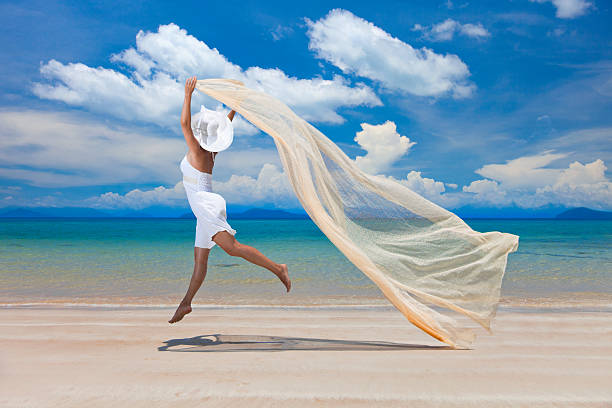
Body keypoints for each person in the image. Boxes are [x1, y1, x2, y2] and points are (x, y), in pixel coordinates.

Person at [169, 76, 291, 324]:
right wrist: (236, 105)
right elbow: (224, 125)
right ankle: (186, 303)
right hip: (202, 209)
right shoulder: (211, 151)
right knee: (200, 261)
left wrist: (188, 94)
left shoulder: (198, 150)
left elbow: (183, 123)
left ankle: (279, 268)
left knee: (232, 248)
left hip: (204, 205)